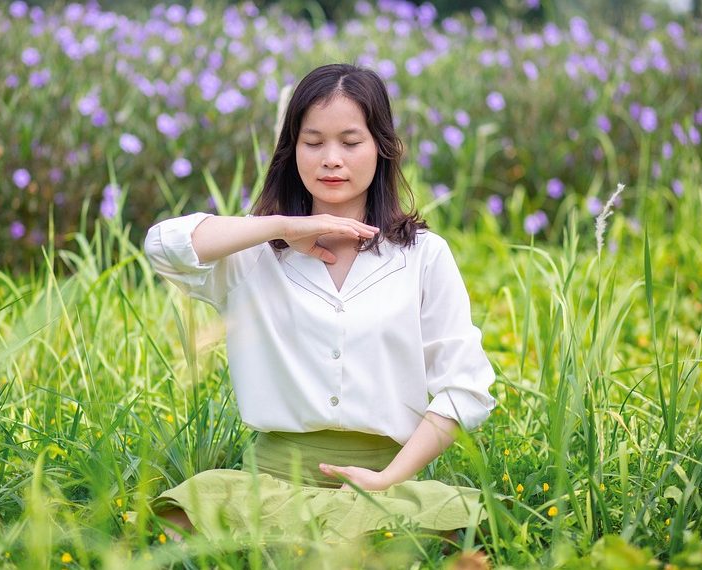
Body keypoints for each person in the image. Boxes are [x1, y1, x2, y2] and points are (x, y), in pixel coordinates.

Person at [143, 63, 497, 543]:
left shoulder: (423, 256)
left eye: (350, 143)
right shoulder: (252, 253)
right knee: (174, 525)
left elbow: (465, 388)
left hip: (386, 489)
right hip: (265, 488)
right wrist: (283, 227)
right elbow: (164, 245)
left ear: (383, 149)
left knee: (462, 536)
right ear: (292, 153)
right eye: (313, 143)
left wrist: (389, 478)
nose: (332, 159)